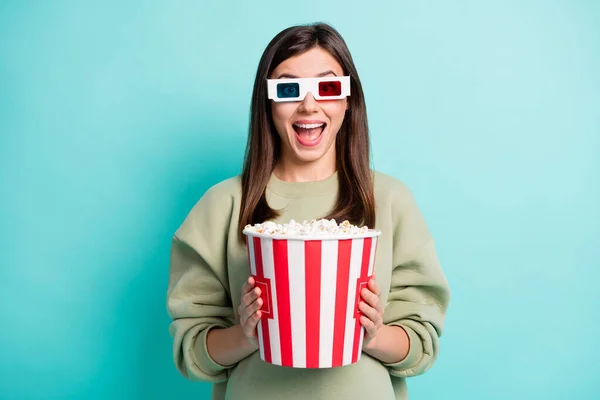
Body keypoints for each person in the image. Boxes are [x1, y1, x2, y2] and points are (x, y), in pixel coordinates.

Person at [167, 22, 451, 400]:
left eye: (328, 87)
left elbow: (421, 343)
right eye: (288, 89)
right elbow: (193, 352)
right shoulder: (223, 205)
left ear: (349, 100)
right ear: (268, 103)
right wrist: (248, 333)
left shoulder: (389, 200)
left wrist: (373, 333)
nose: (309, 105)